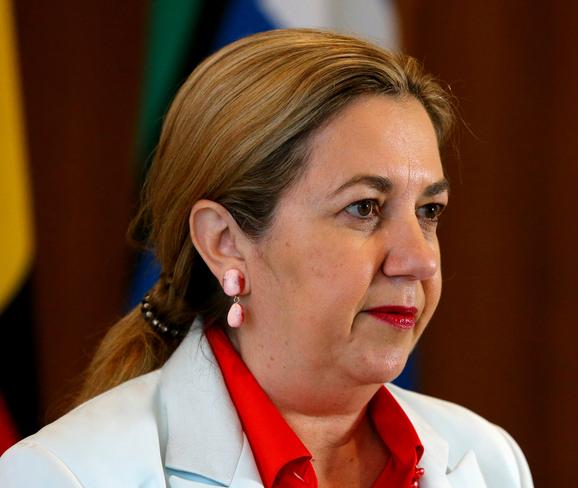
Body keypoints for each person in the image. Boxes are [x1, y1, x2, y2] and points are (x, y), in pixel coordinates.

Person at [0, 29, 533, 487]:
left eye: (429, 210)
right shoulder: (67, 474)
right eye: (364, 208)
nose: (420, 260)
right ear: (224, 241)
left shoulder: (489, 460)